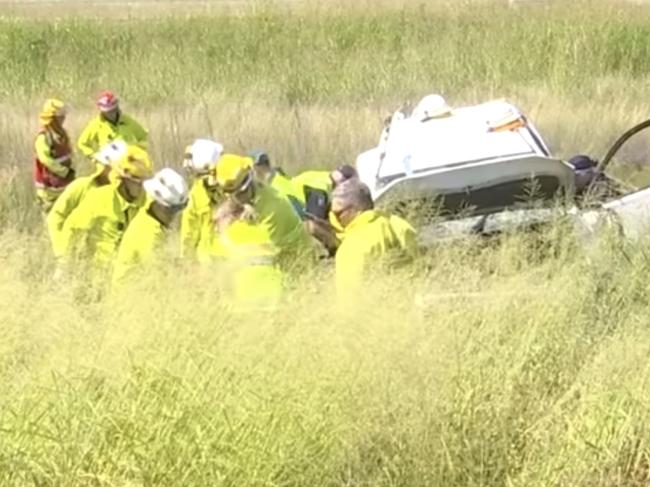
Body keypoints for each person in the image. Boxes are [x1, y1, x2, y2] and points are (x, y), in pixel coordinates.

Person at [57, 145, 154, 273]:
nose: (141, 186)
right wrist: (64, 263)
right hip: (95, 274)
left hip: (128, 277)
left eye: (144, 181)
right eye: (136, 180)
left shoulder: (147, 204)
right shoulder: (99, 198)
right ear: (123, 178)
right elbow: (73, 227)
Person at [215, 154, 313, 262]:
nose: (236, 199)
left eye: (239, 194)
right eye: (230, 195)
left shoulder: (273, 208)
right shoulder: (247, 195)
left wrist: (227, 235)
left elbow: (262, 255)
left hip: (296, 261)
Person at [332, 179, 417, 295]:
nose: (334, 219)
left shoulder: (351, 247)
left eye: (337, 213)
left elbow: (349, 299)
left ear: (356, 209)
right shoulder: (400, 224)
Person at [47, 140, 127, 257]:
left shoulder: (124, 198)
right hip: (74, 258)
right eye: (109, 167)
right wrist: (61, 252)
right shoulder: (81, 186)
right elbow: (56, 216)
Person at [113, 168, 189, 285]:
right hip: (130, 295)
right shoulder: (148, 232)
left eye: (179, 208)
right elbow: (162, 275)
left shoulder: (152, 218)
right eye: (171, 209)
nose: (174, 215)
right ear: (158, 203)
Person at [212, 199, 284, 307]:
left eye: (217, 221)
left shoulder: (227, 237)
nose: (215, 228)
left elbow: (222, 277)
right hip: (275, 298)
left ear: (233, 216)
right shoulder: (262, 231)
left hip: (245, 301)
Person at [180, 138, 224, 260]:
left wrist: (186, 259)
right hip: (220, 260)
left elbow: (188, 234)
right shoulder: (232, 184)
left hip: (209, 260)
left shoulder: (195, 194)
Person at [77, 90, 148, 159]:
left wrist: (135, 149)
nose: (111, 114)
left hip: (129, 162)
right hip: (108, 165)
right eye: (107, 112)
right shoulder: (96, 124)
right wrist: (95, 156)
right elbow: (82, 143)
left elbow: (144, 137)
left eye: (112, 110)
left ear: (116, 108)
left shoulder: (127, 121)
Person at [33, 98, 75, 212]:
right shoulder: (43, 137)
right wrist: (64, 172)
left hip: (63, 184)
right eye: (60, 116)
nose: (63, 118)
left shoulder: (62, 133)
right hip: (48, 188)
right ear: (52, 118)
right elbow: (45, 160)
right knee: (50, 217)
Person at [249, 150, 305, 216]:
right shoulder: (281, 178)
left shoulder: (276, 190)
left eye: (250, 170)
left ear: (256, 168)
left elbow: (297, 216)